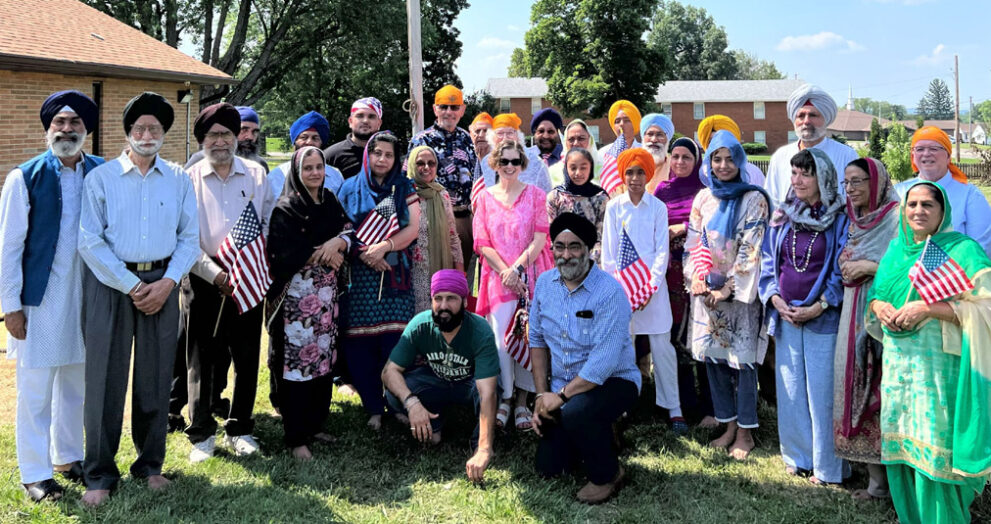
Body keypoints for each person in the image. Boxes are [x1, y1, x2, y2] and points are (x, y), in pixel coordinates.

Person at [77, 92, 199, 506]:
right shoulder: (102, 179)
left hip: (163, 283)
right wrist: (131, 285)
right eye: (139, 128)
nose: (147, 135)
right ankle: (99, 473)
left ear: (164, 133)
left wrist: (168, 283)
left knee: (155, 377)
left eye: (155, 128)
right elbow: (89, 241)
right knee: (104, 381)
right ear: (128, 132)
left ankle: (150, 465)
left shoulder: (178, 179)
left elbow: (189, 238)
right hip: (111, 285)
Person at [867, 180, 991, 523]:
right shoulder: (896, 250)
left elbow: (986, 307)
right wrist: (879, 307)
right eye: (912, 205)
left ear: (943, 211)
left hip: (939, 369)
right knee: (902, 445)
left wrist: (928, 308)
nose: (918, 211)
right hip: (899, 367)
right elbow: (876, 294)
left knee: (936, 448)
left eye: (927, 205)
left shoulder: (962, 251)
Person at [1, 90, 103, 502]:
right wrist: (10, 306)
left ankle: (67, 457)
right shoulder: (24, 177)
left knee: (76, 383)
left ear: (86, 129)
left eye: (75, 122)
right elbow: (9, 248)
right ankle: (35, 473)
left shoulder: (101, 172)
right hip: (39, 301)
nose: (66, 129)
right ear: (48, 128)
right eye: (59, 122)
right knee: (36, 390)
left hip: (87, 296)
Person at [183, 103, 274, 463]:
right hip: (203, 277)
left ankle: (240, 429)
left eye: (226, 134)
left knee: (247, 355)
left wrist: (247, 266)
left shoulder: (256, 174)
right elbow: (184, 237)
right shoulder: (188, 178)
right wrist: (215, 273)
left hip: (247, 275)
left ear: (236, 137)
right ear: (202, 140)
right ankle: (202, 434)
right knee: (202, 358)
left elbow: (267, 223)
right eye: (212, 135)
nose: (219, 141)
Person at [529, 213, 641, 504]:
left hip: (614, 381)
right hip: (565, 390)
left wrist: (560, 398)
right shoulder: (544, 284)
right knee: (549, 468)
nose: (566, 255)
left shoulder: (610, 292)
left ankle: (608, 475)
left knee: (577, 413)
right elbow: (537, 341)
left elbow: (603, 363)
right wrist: (541, 397)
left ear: (589, 249)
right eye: (559, 246)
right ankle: (602, 433)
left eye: (574, 246)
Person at [760, 148, 849, 485]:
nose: (797, 180)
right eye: (794, 173)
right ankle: (798, 457)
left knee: (822, 393)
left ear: (822, 178)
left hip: (821, 317)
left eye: (806, 174)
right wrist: (775, 298)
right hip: (786, 314)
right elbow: (769, 260)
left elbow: (841, 269)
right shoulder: (783, 214)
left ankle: (828, 467)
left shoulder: (840, 218)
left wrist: (819, 305)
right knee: (791, 388)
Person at [683, 130, 770, 457]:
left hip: (739, 297)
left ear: (740, 161)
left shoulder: (754, 199)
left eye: (729, 159)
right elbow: (694, 243)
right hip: (707, 294)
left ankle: (745, 433)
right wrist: (697, 278)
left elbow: (751, 249)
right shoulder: (703, 198)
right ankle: (728, 424)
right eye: (716, 159)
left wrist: (727, 289)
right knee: (715, 361)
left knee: (742, 364)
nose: (722, 165)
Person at [266, 146, 355, 460]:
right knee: (297, 366)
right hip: (296, 303)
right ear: (296, 172)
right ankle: (296, 437)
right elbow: (282, 252)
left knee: (322, 361)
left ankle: (315, 424)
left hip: (326, 299)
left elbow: (348, 228)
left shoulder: (329, 200)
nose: (315, 173)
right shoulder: (286, 208)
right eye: (308, 168)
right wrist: (324, 253)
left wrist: (338, 242)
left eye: (319, 167)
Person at [381, 270, 499, 482]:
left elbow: (487, 392)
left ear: (465, 301)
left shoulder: (480, 330)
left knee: (490, 392)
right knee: (394, 393)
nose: (443, 306)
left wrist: (484, 448)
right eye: (438, 298)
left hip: (468, 385)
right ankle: (431, 426)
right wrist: (412, 403)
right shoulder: (420, 324)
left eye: (451, 298)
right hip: (435, 382)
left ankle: (480, 444)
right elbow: (389, 371)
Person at [338, 132, 421, 430]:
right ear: (367, 155)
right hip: (359, 278)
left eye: (389, 154)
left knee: (395, 342)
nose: (382, 159)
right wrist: (365, 254)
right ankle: (373, 406)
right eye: (377, 153)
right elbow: (343, 228)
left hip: (395, 275)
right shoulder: (349, 187)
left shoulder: (404, 186)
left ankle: (396, 403)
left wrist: (384, 247)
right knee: (361, 345)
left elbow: (413, 227)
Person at [473, 139, 553, 430]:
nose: (509, 166)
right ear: (495, 163)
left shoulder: (536, 196)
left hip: (531, 275)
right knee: (502, 342)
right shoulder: (484, 198)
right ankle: (505, 396)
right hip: (498, 278)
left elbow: (540, 238)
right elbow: (482, 243)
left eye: (515, 161)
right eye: (504, 161)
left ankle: (522, 400)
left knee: (529, 338)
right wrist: (506, 272)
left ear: (522, 165)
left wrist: (517, 269)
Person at [832, 157, 900, 500]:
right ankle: (875, 482)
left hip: (883, 315)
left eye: (858, 181)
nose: (850, 189)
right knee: (855, 384)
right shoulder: (853, 219)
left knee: (882, 389)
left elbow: (907, 264)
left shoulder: (896, 218)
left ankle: (896, 486)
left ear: (877, 182)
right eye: (846, 182)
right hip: (851, 312)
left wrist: (869, 267)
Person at [601, 148, 681, 432]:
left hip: (653, 292)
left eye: (640, 172)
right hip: (623, 292)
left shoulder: (658, 208)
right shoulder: (614, 207)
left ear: (648, 175)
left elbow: (661, 252)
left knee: (662, 348)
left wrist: (649, 288)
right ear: (623, 176)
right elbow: (609, 256)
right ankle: (622, 406)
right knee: (624, 349)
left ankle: (673, 408)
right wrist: (624, 291)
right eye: (630, 173)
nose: (635, 178)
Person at [652, 137, 715, 428]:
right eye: (675, 156)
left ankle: (710, 407)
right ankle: (683, 404)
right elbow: (652, 223)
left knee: (701, 333)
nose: (679, 162)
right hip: (670, 274)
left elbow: (712, 226)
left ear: (696, 160)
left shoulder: (706, 192)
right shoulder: (662, 190)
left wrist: (683, 227)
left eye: (686, 157)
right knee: (675, 337)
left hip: (699, 271)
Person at [408, 85, 478, 270]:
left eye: (454, 107)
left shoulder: (468, 139)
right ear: (435, 109)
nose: (449, 112)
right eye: (443, 106)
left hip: (464, 218)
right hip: (433, 217)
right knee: (435, 276)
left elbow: (476, 176)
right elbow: (409, 180)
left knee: (463, 277)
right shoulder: (421, 140)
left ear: (462, 110)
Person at [894, 126, 991, 256]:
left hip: (955, 267)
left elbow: (980, 248)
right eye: (920, 149)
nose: (926, 153)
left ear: (948, 156)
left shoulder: (970, 195)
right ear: (913, 155)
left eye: (934, 148)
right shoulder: (899, 192)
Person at [765, 85, 857, 208]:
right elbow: (771, 201)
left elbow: (857, 202)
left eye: (813, 115)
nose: (806, 121)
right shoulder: (780, 156)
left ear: (825, 119)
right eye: (801, 116)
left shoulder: (846, 155)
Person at [407, 145, 464, 312]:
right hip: (412, 272)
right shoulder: (405, 193)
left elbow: (452, 235)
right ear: (412, 165)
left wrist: (459, 271)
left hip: (440, 266)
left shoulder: (442, 194)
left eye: (431, 163)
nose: (426, 167)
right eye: (420, 163)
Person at [545, 148, 608, 262]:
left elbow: (601, 237)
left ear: (590, 168)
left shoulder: (601, 198)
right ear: (566, 168)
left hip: (592, 261)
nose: (578, 173)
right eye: (573, 168)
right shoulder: (555, 197)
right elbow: (551, 235)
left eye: (583, 168)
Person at [267, 111, 344, 198]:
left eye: (315, 138)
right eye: (304, 137)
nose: (309, 142)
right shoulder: (276, 176)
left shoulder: (335, 175)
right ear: (294, 141)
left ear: (321, 143)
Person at [476, 113, 552, 193]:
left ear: (518, 136)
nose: (505, 138)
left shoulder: (536, 163)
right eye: (500, 133)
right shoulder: (486, 162)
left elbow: (547, 194)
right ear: (492, 137)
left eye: (510, 133)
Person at [184, 106, 270, 173]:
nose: (250, 137)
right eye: (244, 130)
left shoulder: (260, 165)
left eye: (255, 132)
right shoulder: (200, 160)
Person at [697, 115, 765, 187]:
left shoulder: (753, 172)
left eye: (723, 139)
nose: (718, 145)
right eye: (712, 141)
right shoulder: (701, 176)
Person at [323, 97, 383, 179]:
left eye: (371, 117)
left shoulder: (388, 155)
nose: (365, 121)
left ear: (379, 123)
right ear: (350, 121)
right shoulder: (331, 156)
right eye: (360, 116)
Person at [548, 119, 604, 187]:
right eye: (571, 139)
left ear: (590, 140)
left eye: (581, 138)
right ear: (565, 142)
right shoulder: (553, 172)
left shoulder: (604, 169)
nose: (576, 143)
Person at [640, 113, 673, 193]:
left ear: (667, 139)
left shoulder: (675, 165)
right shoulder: (631, 163)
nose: (654, 140)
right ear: (643, 137)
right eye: (650, 134)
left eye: (660, 135)